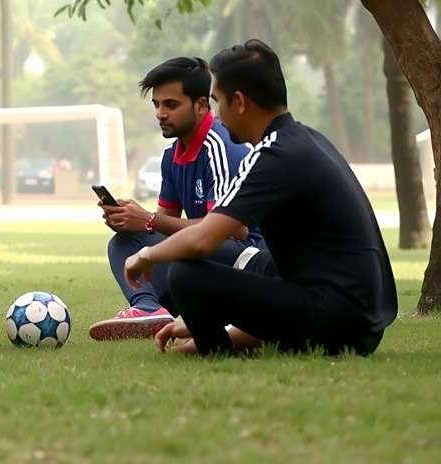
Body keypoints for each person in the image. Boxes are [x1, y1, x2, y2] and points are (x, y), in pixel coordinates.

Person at [125, 40, 397, 356]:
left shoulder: (276, 155)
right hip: (350, 310)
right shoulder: (305, 139)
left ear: (238, 101)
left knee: (186, 273)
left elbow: (203, 240)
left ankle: (214, 348)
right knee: (238, 257)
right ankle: (222, 335)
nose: (218, 113)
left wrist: (145, 256)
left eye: (217, 100)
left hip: (340, 320)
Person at [90, 57, 269, 341]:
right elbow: (165, 224)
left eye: (171, 105)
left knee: (207, 242)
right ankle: (149, 309)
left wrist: (148, 220)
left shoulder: (221, 146)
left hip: (244, 258)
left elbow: (233, 230)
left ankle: (212, 312)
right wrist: (132, 223)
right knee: (124, 243)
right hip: (207, 249)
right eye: (157, 105)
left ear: (200, 105)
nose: (161, 113)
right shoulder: (171, 157)